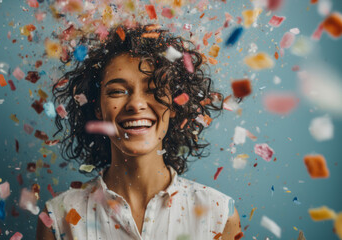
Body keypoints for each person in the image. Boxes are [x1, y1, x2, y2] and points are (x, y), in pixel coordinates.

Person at [36, 23, 241, 240]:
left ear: (174, 104)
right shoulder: (57, 218)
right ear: (97, 107)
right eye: (117, 91)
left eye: (153, 89)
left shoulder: (219, 215)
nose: (136, 104)